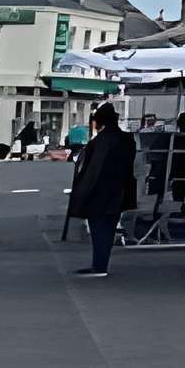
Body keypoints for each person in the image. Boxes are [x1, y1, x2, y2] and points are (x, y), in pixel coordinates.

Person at [67, 105, 136, 277]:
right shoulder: (126, 139)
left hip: (99, 192)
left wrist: (82, 194)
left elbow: (92, 171)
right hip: (119, 190)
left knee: (99, 229)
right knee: (109, 227)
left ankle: (99, 265)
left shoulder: (100, 142)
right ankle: (100, 264)